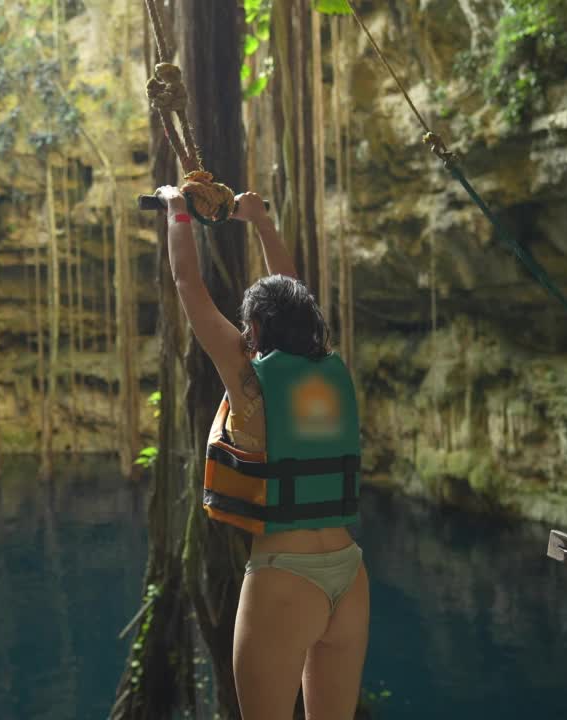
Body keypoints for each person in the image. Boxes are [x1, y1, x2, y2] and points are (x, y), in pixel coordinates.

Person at [155, 185, 369, 719]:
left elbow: (188, 284)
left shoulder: (248, 378)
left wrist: (174, 205)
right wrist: (260, 222)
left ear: (251, 332)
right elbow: (296, 292)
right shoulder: (331, 370)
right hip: (349, 575)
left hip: (282, 582)